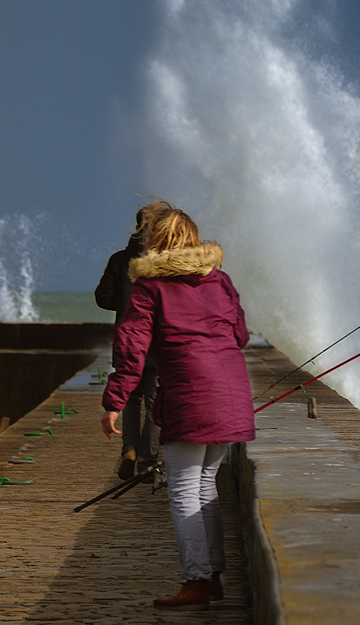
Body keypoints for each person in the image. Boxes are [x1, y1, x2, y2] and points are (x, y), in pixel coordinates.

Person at [100, 201, 254, 611]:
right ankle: (213, 576)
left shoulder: (150, 286)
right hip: (233, 393)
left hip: (191, 392)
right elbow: (240, 335)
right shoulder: (219, 281)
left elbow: (131, 349)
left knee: (184, 489)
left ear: (156, 241)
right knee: (205, 486)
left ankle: (196, 581)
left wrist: (114, 401)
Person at [94, 209, 160, 480]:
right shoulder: (163, 263)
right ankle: (148, 461)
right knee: (154, 402)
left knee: (131, 398)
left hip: (126, 338)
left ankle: (129, 450)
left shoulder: (119, 260)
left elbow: (103, 298)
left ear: (135, 225)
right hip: (156, 343)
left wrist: (124, 304)